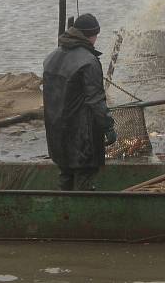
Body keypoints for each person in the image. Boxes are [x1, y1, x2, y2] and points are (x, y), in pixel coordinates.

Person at [43, 13, 117, 191]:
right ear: (89, 35)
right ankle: (84, 214)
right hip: (81, 136)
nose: (96, 39)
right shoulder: (89, 62)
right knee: (85, 178)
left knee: (65, 174)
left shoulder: (51, 58)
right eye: (96, 35)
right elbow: (96, 100)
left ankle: (63, 212)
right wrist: (108, 126)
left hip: (56, 132)